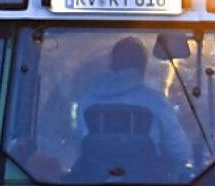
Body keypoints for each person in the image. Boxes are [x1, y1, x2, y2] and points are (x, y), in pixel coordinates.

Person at [77, 37, 192, 171]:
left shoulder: (87, 101)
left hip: (93, 183)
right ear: (143, 67)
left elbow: (80, 145)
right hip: (149, 185)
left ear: (112, 65)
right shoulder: (155, 102)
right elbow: (180, 153)